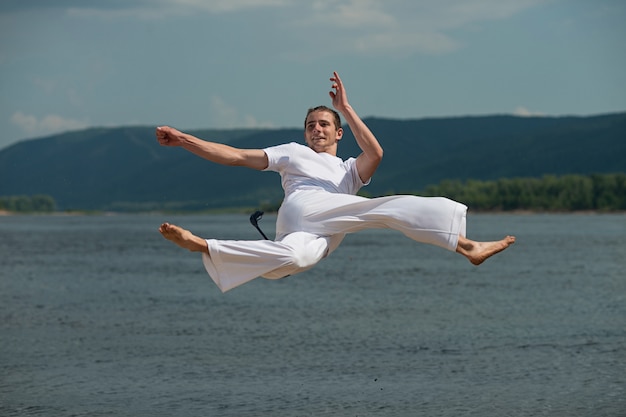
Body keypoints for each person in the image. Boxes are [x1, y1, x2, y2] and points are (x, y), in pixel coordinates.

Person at [157, 71, 515, 292]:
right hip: (301, 213)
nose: (316, 129)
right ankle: (467, 246)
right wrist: (184, 139)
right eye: (311, 124)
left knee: (297, 257)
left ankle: (203, 246)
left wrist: (345, 107)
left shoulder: (348, 171)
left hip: (323, 235)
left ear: (339, 132)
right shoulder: (292, 153)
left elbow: (375, 153)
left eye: (324, 124)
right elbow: (234, 155)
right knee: (382, 208)